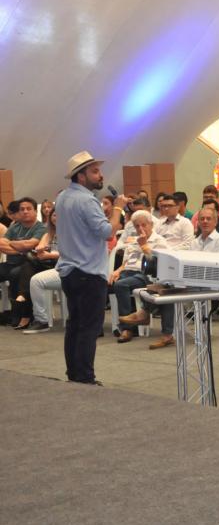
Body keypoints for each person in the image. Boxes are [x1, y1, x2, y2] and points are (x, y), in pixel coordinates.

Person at [54, 152, 128, 383]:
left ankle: (74, 374)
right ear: (81, 176)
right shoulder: (87, 200)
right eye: (94, 171)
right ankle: (85, 378)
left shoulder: (64, 197)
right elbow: (107, 233)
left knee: (74, 325)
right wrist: (117, 209)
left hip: (70, 271)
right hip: (88, 271)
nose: (100, 175)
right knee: (88, 328)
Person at [120, 206, 219, 349]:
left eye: (208, 219)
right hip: (194, 279)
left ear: (216, 222)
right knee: (165, 284)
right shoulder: (196, 242)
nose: (204, 221)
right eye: (202, 219)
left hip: (213, 283)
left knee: (169, 289)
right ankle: (164, 332)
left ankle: (147, 314)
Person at [110, 211, 169, 343]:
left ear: (151, 224)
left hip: (146, 275)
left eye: (144, 225)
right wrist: (117, 271)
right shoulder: (132, 241)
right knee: (101, 284)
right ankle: (96, 329)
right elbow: (125, 262)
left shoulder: (159, 240)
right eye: (137, 226)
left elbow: (157, 264)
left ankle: (127, 329)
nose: (140, 228)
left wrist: (144, 245)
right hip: (128, 272)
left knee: (121, 285)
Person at [0, 197, 48, 328]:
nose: (25, 212)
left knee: (15, 274)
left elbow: (32, 244)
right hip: (11, 263)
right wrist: (21, 249)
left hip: (30, 264)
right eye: (22, 209)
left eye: (28, 209)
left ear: (35, 211)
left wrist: (14, 244)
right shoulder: (15, 227)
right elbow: (1, 243)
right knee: (10, 271)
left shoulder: (40, 228)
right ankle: (7, 311)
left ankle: (19, 313)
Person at [19, 208, 60, 333]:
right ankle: (25, 297)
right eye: (53, 215)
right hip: (50, 264)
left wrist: (50, 255)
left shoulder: (69, 232)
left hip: (62, 265)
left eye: (58, 215)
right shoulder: (48, 233)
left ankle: (41, 319)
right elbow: (39, 247)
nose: (55, 217)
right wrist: (41, 249)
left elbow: (69, 254)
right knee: (27, 266)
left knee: (34, 277)